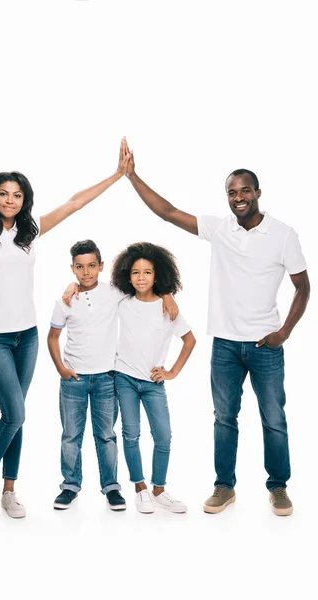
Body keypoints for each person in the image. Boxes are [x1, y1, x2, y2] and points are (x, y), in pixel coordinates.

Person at [0, 140, 130, 518]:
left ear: (24, 200)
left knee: (16, 414)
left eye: (17, 195)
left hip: (28, 337)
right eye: (3, 194)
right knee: (15, 414)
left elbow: (73, 203)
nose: (10, 200)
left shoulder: (28, 231)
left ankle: (10, 490)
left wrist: (117, 175)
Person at [123, 138, 310, 516]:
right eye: (231, 192)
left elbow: (303, 287)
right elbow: (168, 212)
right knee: (224, 418)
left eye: (244, 191)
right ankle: (224, 487)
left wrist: (284, 332)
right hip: (224, 345)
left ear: (258, 193)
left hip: (265, 345)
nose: (238, 197)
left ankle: (278, 488)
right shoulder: (220, 228)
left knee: (273, 419)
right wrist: (132, 176)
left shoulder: (283, 234)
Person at [48, 240, 178, 511]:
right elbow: (53, 337)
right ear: (72, 268)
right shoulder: (65, 301)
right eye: (80, 267)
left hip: (107, 377)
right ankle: (70, 485)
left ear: (101, 266)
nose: (86, 273)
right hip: (73, 378)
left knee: (106, 434)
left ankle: (111, 487)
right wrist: (61, 368)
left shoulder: (115, 292)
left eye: (92, 266)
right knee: (71, 434)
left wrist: (167, 294)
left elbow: (144, 287)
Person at [112, 242, 196, 514]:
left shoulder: (167, 307)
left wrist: (171, 372)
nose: (141, 278)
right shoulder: (122, 302)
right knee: (131, 433)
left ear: (157, 275)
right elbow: (94, 289)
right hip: (124, 377)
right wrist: (71, 286)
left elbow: (189, 340)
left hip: (153, 383)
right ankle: (140, 488)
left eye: (147, 272)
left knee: (163, 436)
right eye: (135, 272)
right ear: (128, 275)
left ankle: (159, 489)